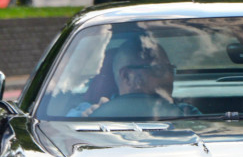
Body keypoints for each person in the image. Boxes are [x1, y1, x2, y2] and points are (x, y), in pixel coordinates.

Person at [69, 34, 198, 117]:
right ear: (127, 77)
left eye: (170, 70)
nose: (170, 78)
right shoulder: (87, 113)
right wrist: (86, 121)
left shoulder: (186, 113)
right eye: (159, 69)